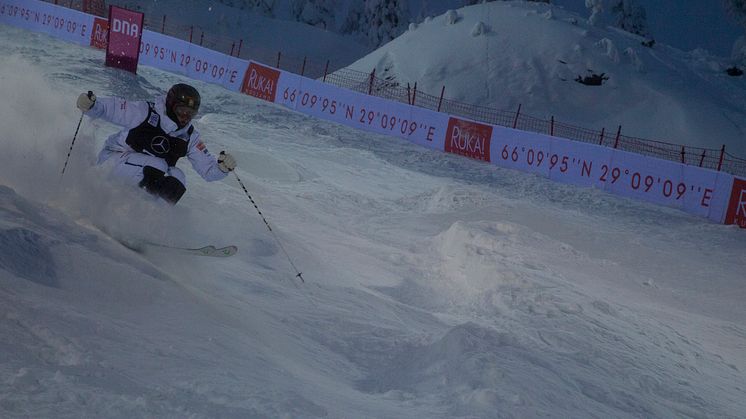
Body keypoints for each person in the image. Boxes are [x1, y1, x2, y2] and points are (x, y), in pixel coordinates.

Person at [76, 83, 237, 204]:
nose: (185, 117)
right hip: (113, 162)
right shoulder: (145, 112)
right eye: (182, 111)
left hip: (141, 173)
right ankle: (122, 210)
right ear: (171, 105)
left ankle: (147, 224)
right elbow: (111, 109)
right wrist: (92, 106)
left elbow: (208, 171)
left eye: (191, 114)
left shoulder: (189, 136)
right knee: (158, 165)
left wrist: (222, 168)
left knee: (178, 178)